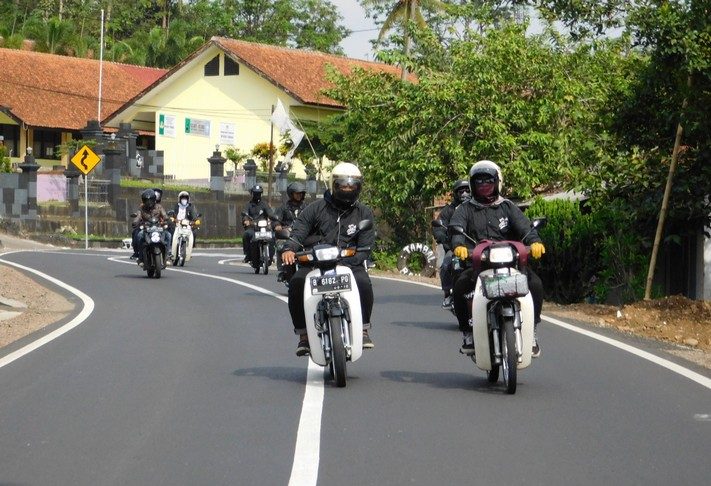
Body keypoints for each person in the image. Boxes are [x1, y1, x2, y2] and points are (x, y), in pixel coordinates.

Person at [449, 160, 546, 357]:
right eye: (479, 182)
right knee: (459, 288)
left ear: (497, 182)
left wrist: (535, 242)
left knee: (535, 284)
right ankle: (468, 334)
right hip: (479, 266)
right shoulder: (465, 209)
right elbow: (456, 230)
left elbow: (525, 228)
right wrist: (458, 245)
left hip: (510, 264)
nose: (484, 185)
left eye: (488, 181)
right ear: (472, 185)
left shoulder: (508, 207)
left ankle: (532, 332)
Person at [282, 162, 375, 356]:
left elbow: (365, 247)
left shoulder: (363, 212)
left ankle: (364, 329)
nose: (348, 189)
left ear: (359, 187)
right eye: (343, 185)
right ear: (334, 184)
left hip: (349, 263)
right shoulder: (315, 209)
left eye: (352, 185)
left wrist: (353, 258)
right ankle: (304, 336)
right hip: (315, 263)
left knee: (363, 282)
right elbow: (299, 231)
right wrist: (289, 248)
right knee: (297, 283)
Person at [432, 179, 470, 309]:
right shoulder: (449, 210)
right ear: (455, 194)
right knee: (446, 265)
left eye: (467, 190)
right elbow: (438, 227)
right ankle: (448, 294)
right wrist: (444, 238)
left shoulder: (476, 208)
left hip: (474, 247)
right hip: (454, 248)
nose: (464, 194)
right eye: (461, 191)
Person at [273, 181, 308, 282]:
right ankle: (283, 269)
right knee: (281, 245)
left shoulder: (307, 207)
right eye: (297, 193)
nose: (299, 195)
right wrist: (278, 226)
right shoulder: (284, 207)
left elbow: (314, 219)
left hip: (303, 235)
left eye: (301, 193)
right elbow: (276, 219)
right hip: (287, 235)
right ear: (291, 194)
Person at [131, 188, 169, 264]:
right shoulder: (141, 208)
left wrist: (166, 219)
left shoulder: (159, 207)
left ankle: (167, 256)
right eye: (146, 200)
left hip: (158, 227)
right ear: (143, 201)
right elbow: (138, 216)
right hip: (146, 228)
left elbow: (164, 215)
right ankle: (141, 257)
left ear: (154, 199)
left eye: (150, 200)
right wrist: (135, 222)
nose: (149, 202)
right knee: (139, 235)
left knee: (168, 235)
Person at [241, 184, 273, 263]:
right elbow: (245, 214)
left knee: (272, 237)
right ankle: (248, 255)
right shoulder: (248, 205)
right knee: (246, 234)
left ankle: (271, 256)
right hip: (252, 228)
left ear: (261, 194)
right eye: (255, 193)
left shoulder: (264, 204)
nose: (257, 195)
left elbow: (270, 213)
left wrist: (272, 219)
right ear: (252, 194)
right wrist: (246, 220)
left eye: (259, 193)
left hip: (264, 227)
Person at [171, 190, 199, 257]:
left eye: (185, 198)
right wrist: (174, 219)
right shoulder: (176, 206)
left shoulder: (190, 207)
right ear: (179, 199)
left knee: (194, 232)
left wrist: (195, 221)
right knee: (171, 232)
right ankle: (171, 250)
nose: (184, 200)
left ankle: (190, 248)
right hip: (177, 224)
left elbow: (194, 216)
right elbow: (173, 215)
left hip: (187, 225)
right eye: (182, 198)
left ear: (188, 199)